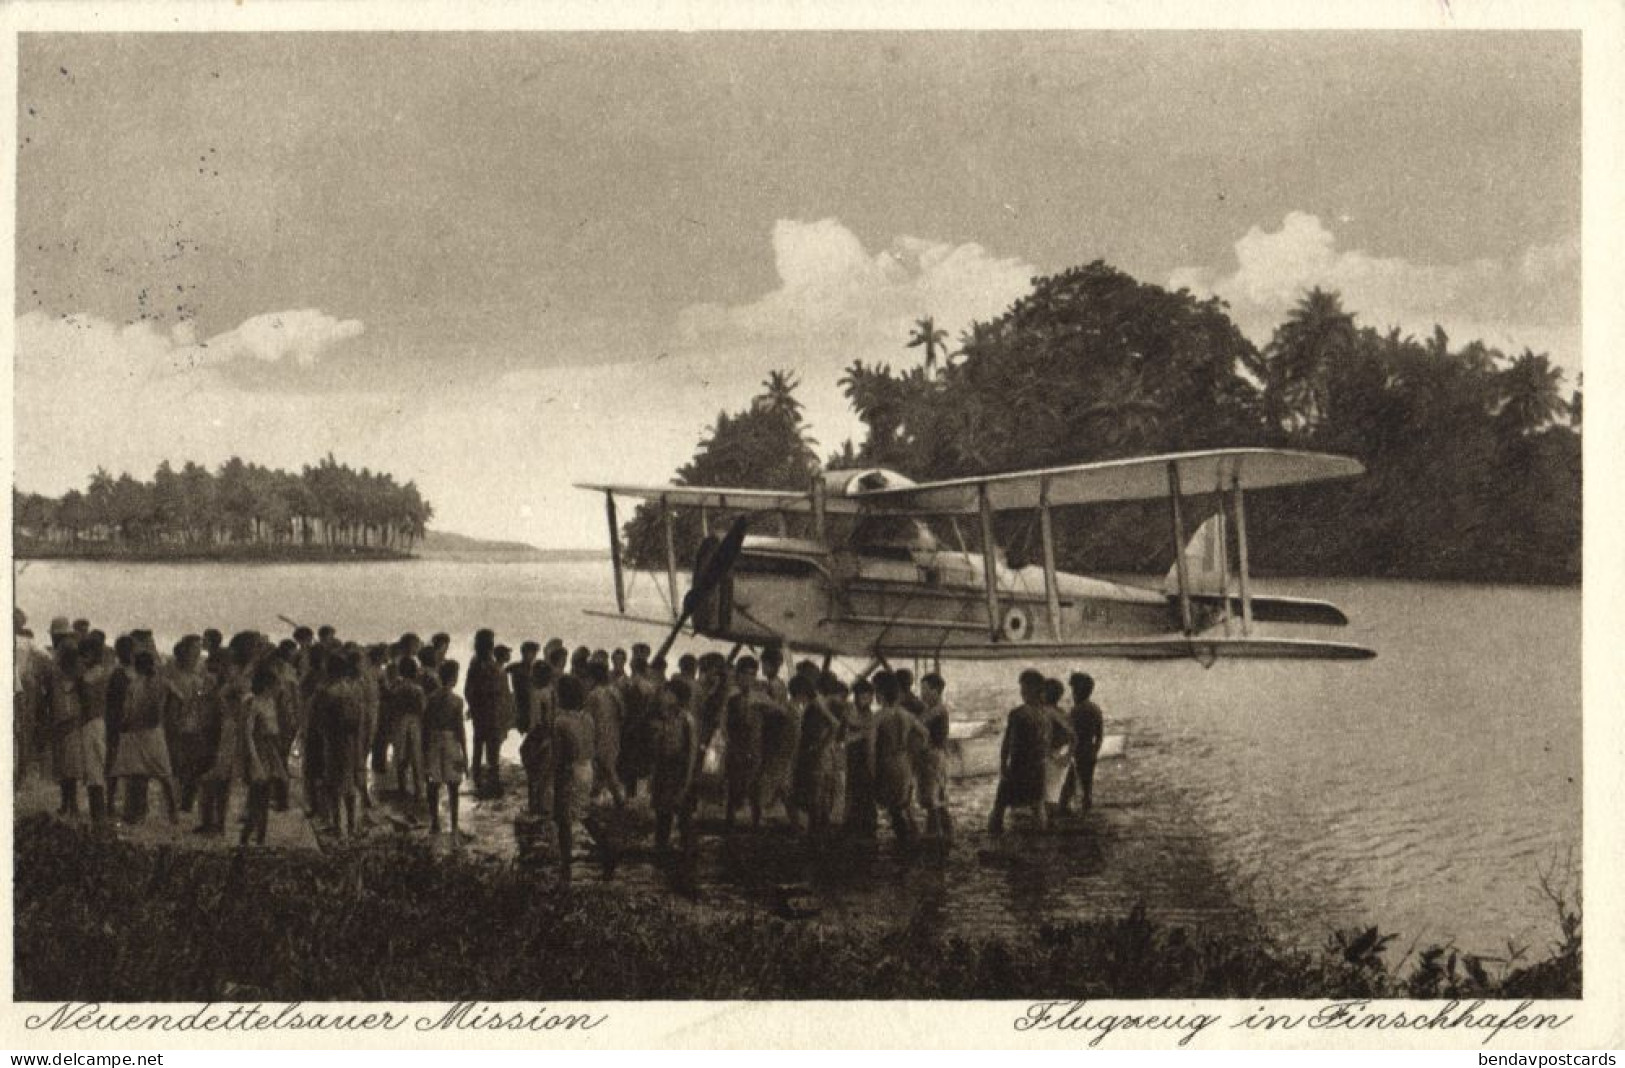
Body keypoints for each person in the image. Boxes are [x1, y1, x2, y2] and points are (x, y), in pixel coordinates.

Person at [990, 669, 1073, 834]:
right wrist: (1058, 754)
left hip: (1017, 767)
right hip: (1037, 767)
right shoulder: (1046, 713)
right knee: (1037, 806)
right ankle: (1042, 843)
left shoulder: (1018, 713)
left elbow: (1008, 743)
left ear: (1028, 690)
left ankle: (995, 840)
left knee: (999, 807)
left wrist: (1003, 766)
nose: (1021, 691)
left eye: (1023, 687)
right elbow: (1067, 736)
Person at [551, 674, 615, 885]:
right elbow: (592, 746)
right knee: (583, 812)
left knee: (564, 820)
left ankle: (566, 866)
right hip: (587, 768)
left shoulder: (560, 721)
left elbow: (560, 755)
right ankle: (606, 850)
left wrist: (554, 777)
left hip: (570, 771)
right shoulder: (586, 718)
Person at [109, 649, 179, 823]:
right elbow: (179, 697)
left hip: (139, 731)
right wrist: (171, 714)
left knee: (139, 774)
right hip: (151, 731)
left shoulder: (137, 684)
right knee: (161, 774)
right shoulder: (161, 682)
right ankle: (171, 813)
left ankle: (139, 813)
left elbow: (129, 710)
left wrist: (125, 724)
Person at [870, 672, 925, 842]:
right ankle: (913, 837)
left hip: (888, 762)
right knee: (904, 804)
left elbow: (870, 747)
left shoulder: (879, 716)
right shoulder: (906, 714)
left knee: (894, 808)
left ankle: (904, 843)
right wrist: (912, 753)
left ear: (880, 694)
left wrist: (871, 770)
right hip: (904, 761)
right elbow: (925, 733)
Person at [648, 677, 699, 853]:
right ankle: (661, 849)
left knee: (683, 815)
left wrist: (687, 781)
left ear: (677, 696)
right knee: (663, 815)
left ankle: (688, 853)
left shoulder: (686, 720)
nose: (664, 695)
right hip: (664, 769)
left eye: (668, 692)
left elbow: (691, 752)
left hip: (679, 770)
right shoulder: (664, 717)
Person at [789, 674, 841, 836]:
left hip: (817, 757)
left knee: (815, 799)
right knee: (817, 799)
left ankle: (816, 838)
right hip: (815, 755)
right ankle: (818, 836)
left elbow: (834, 724)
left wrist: (820, 747)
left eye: (798, 695)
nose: (798, 699)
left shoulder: (817, 704)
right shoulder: (815, 703)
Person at [424, 659, 468, 840]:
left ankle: (435, 823)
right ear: (453, 678)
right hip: (450, 742)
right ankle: (455, 826)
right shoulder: (457, 701)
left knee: (433, 784)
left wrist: (424, 750)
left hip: (434, 741)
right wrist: (466, 754)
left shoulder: (431, 698)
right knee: (453, 786)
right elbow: (460, 729)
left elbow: (426, 726)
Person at [722, 657, 764, 829]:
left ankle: (755, 824)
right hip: (736, 745)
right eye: (746, 674)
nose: (749, 678)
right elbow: (724, 722)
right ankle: (730, 823)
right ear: (738, 675)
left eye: (752, 675)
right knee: (734, 785)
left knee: (754, 786)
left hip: (754, 745)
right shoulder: (732, 695)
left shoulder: (758, 695)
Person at [464, 630, 507, 795]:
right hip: (489, 711)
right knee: (491, 748)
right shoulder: (486, 664)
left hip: (482, 711)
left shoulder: (476, 662)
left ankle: (479, 779)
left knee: (480, 745)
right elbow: (493, 690)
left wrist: (473, 705)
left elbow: (469, 689)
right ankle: (490, 782)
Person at [1059, 672, 1106, 815]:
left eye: (1073, 690)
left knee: (1070, 780)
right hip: (1089, 749)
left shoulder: (1075, 711)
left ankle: (1066, 806)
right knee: (1087, 782)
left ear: (1077, 692)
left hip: (1076, 750)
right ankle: (1086, 805)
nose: (1072, 694)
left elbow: (1068, 734)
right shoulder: (1095, 709)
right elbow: (1099, 734)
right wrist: (1096, 749)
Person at [583, 661, 626, 807]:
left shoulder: (593, 695)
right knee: (605, 769)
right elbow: (623, 714)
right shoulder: (614, 691)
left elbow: (588, 719)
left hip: (600, 735)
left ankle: (620, 801)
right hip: (614, 734)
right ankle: (594, 798)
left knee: (607, 769)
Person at [385, 655, 427, 802]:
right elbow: (422, 710)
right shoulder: (418, 689)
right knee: (416, 758)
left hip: (399, 723)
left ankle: (402, 788)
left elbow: (390, 709)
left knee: (401, 757)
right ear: (414, 671)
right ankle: (419, 790)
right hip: (414, 724)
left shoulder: (396, 688)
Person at [917, 672, 953, 838]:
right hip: (933, 756)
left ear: (936, 691)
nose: (922, 693)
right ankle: (944, 833)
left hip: (935, 756)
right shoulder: (932, 709)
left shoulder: (938, 710)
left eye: (925, 689)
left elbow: (918, 724)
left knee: (932, 799)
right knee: (936, 798)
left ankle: (936, 834)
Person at [842, 679, 879, 835]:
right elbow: (846, 734)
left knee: (866, 795)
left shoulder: (869, 713)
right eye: (864, 697)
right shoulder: (849, 710)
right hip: (853, 757)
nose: (868, 701)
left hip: (864, 758)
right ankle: (853, 825)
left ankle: (867, 826)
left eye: (870, 698)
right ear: (856, 696)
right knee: (853, 793)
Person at [519, 661, 554, 817]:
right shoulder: (551, 691)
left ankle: (535, 808)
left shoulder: (537, 693)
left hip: (539, 734)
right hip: (549, 734)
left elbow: (537, 721)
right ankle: (541, 807)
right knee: (544, 775)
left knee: (533, 773)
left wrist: (531, 739)